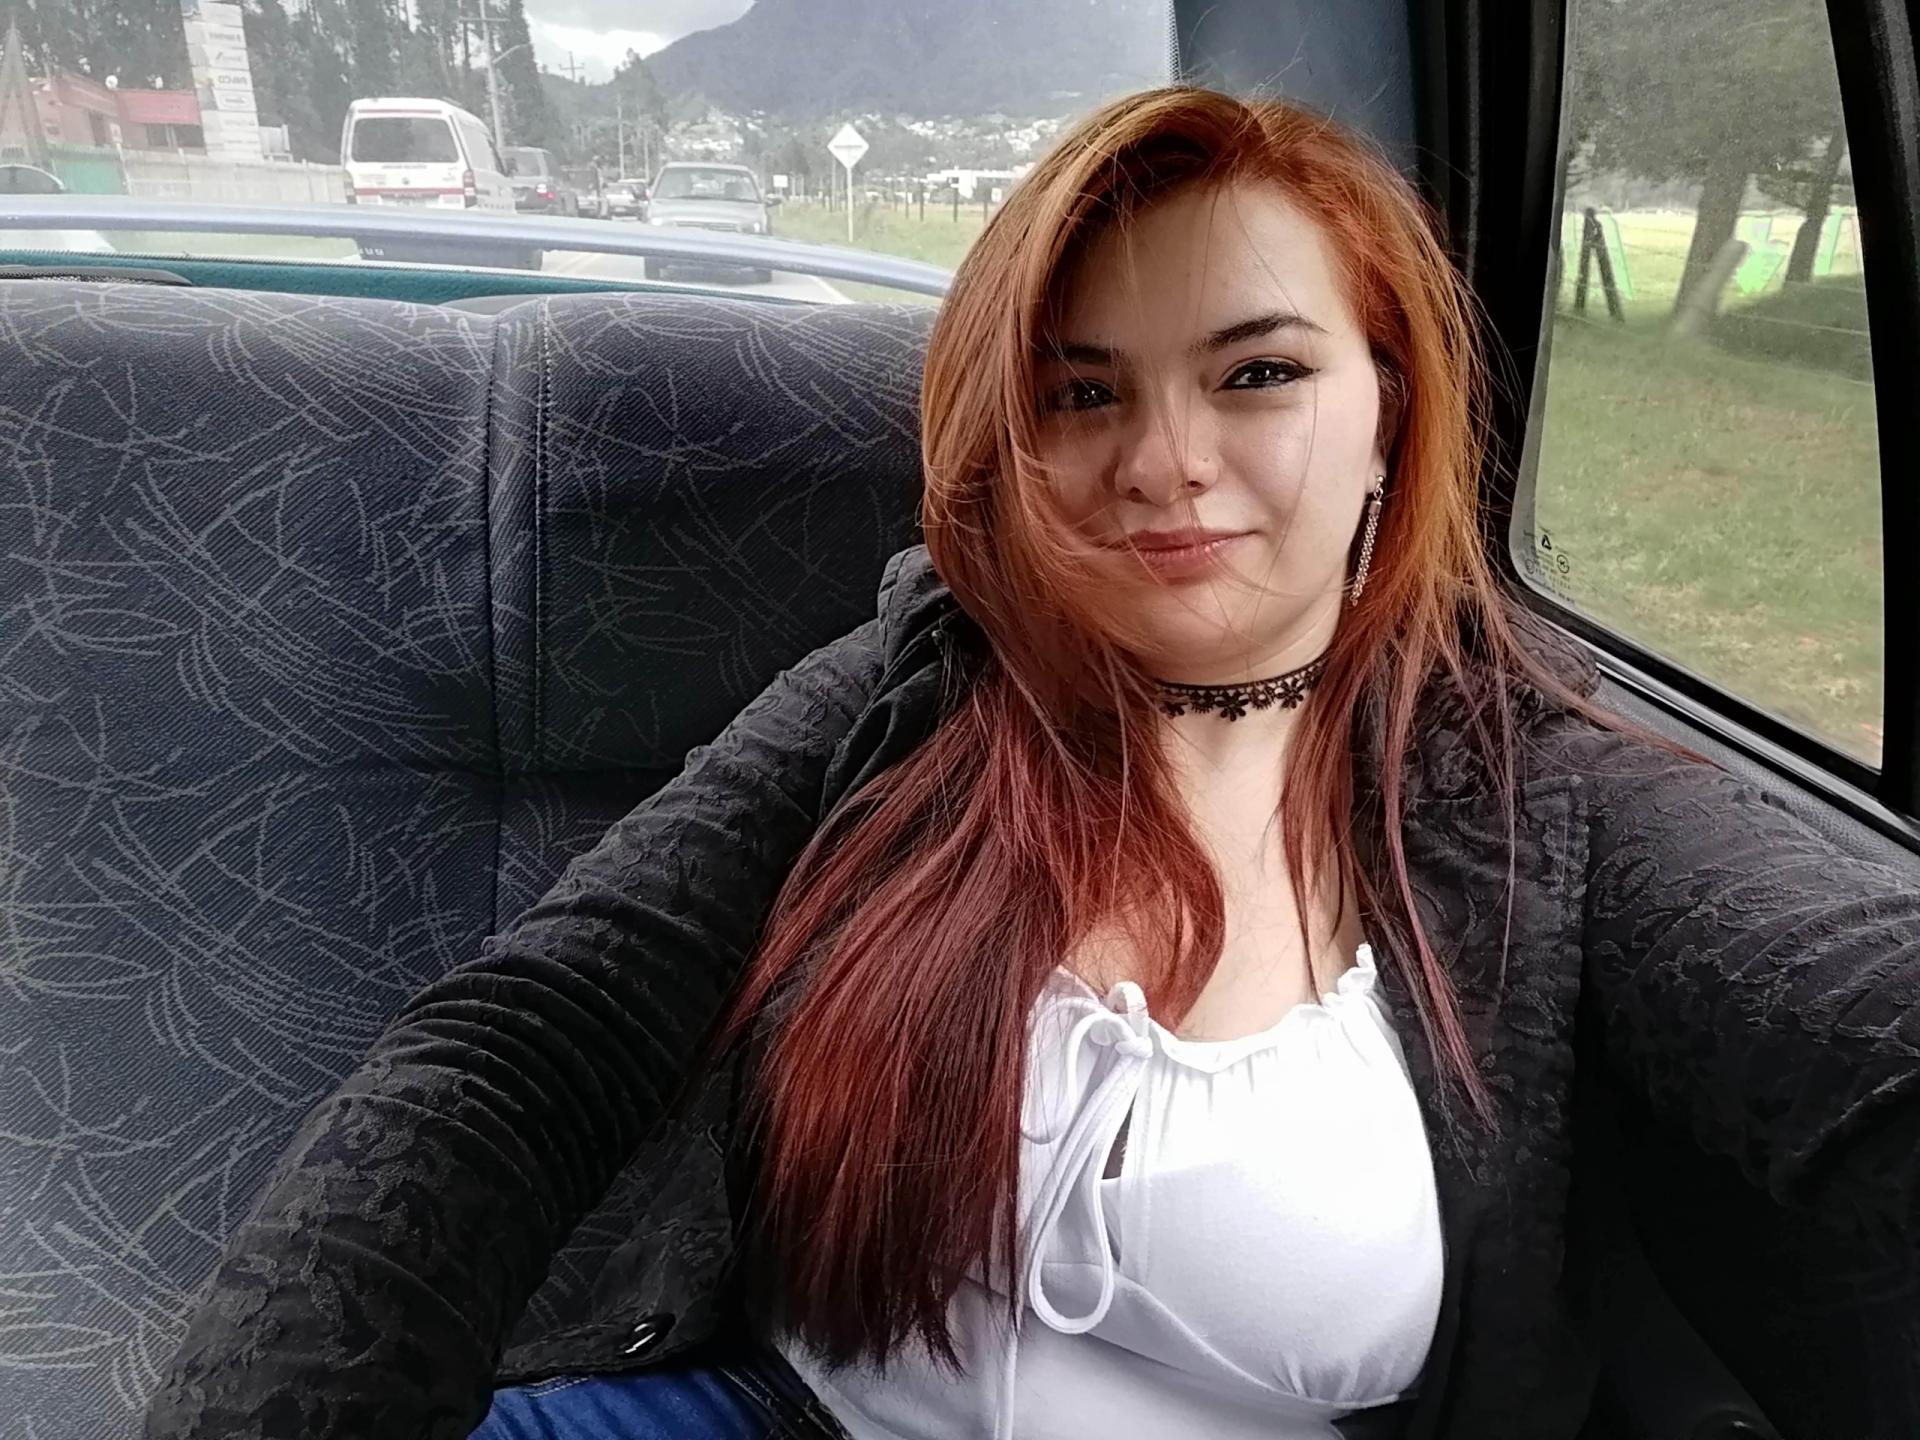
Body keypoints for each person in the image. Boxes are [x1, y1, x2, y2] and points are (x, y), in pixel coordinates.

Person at [145, 88, 1919, 1440]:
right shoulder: (918, 683)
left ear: (1387, 409)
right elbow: (531, 1040)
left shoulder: (1541, 784)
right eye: (1081, 393)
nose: (1164, 461)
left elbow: (1851, 1011)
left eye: (1256, 374)